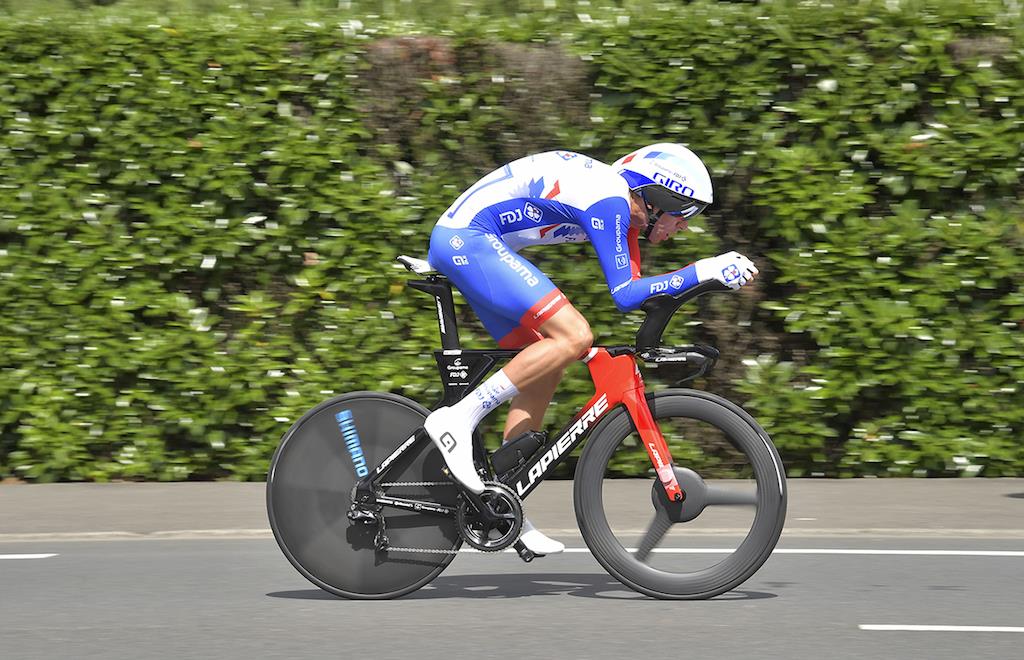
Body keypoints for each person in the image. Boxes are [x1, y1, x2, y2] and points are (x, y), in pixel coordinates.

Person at [424, 143, 759, 556]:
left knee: (545, 363)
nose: (685, 226)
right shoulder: (610, 200)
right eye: (684, 212)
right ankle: (458, 420)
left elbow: (639, 295)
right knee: (575, 336)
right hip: (469, 240)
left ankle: (502, 504)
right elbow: (624, 293)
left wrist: (702, 280)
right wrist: (703, 270)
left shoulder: (621, 210)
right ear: (657, 197)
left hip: (475, 242)